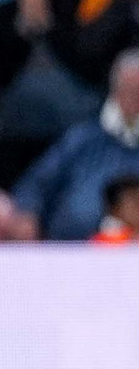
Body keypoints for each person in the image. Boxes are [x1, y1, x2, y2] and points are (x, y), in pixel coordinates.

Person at [12, 50, 139, 239]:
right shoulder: (81, 140)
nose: (134, 99)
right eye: (129, 90)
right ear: (115, 90)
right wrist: (26, 212)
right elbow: (35, 184)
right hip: (70, 253)